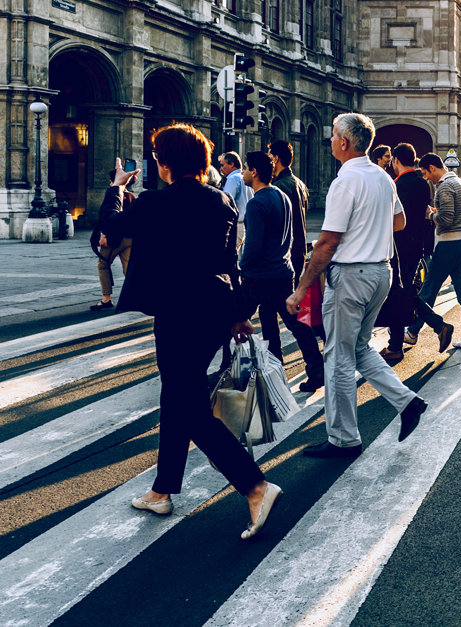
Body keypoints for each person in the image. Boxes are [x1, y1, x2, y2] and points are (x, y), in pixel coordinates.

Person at [100, 125, 280, 539]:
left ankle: (255, 486)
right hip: (215, 308)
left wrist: (116, 186)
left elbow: (110, 223)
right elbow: (229, 261)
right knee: (178, 394)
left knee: (189, 407)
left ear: (165, 163)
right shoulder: (221, 200)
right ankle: (162, 489)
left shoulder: (155, 202)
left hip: (178, 312)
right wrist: (238, 314)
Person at [286, 113, 427, 457]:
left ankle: (343, 438)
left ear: (344, 143)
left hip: (351, 275)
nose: (330, 139)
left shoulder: (344, 182)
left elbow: (327, 243)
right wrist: (369, 229)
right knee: (360, 349)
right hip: (380, 272)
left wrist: (301, 288)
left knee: (337, 358)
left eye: (333, 135)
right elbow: (400, 222)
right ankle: (407, 402)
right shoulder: (382, 177)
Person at [238, 151, 325, 391]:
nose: (244, 172)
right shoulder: (282, 195)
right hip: (282, 271)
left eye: (245, 168)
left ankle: (230, 370)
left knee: (234, 320)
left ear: (254, 172)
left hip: (259, 275)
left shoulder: (257, 202)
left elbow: (253, 245)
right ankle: (317, 370)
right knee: (295, 322)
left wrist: (241, 267)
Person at [405, 153, 461, 349]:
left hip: (449, 243)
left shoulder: (445, 186)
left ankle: (413, 332)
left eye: (425, 172)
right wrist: (437, 212)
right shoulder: (460, 182)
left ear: (432, 167)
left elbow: (447, 220)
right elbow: (454, 213)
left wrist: (430, 214)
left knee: (429, 289)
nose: (425, 177)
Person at [383, 143, 454, 360]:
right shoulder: (423, 184)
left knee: (398, 292)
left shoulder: (399, 185)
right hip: (417, 246)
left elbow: (396, 220)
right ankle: (397, 343)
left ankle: (399, 345)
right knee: (402, 292)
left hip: (400, 245)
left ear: (395, 160)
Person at [90, 169, 135, 311]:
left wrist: (103, 235)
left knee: (103, 265)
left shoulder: (112, 195)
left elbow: (106, 218)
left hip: (113, 239)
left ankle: (106, 299)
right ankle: (133, 299)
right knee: (129, 269)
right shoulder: (132, 197)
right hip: (130, 239)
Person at [267, 140, 310, 288]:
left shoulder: (278, 187)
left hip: (283, 253)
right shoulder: (300, 183)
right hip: (299, 250)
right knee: (291, 298)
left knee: (272, 302)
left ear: (276, 159)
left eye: (269, 155)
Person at [220, 152, 253, 250]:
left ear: (231, 164)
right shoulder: (245, 177)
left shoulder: (232, 178)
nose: (221, 169)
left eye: (222, 165)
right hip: (246, 224)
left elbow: (226, 203)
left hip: (237, 226)